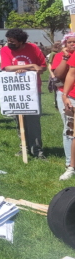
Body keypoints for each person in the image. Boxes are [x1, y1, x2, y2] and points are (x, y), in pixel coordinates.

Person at [0, 28, 47, 160]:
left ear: (21, 41)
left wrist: (34, 68)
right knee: (19, 121)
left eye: (12, 41)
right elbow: (7, 67)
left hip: (32, 91)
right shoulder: (5, 50)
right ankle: (24, 148)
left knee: (33, 122)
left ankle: (37, 150)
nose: (9, 43)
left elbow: (43, 67)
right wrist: (31, 66)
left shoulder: (33, 48)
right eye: (8, 40)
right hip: (15, 91)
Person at [53, 33, 75, 178]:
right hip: (70, 97)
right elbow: (60, 75)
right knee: (70, 129)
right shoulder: (61, 56)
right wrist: (65, 95)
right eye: (70, 42)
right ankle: (70, 164)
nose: (73, 44)